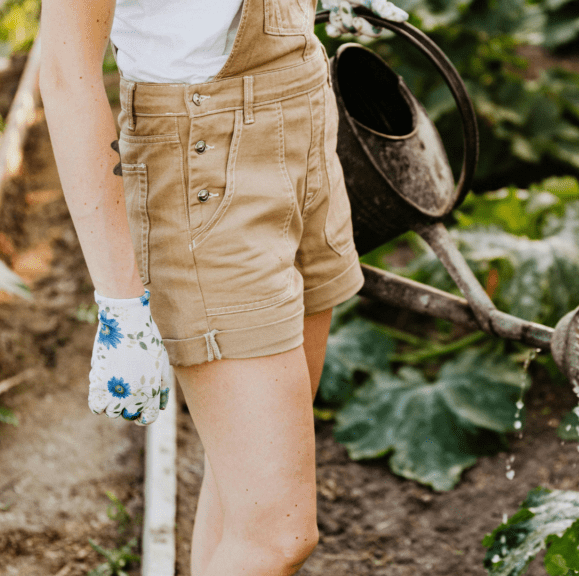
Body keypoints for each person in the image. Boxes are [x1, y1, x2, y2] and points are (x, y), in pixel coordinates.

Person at [37, 0, 408, 573]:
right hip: (203, 162)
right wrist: (120, 298)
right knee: (277, 534)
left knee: (245, 501)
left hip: (303, 117)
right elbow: (66, 71)